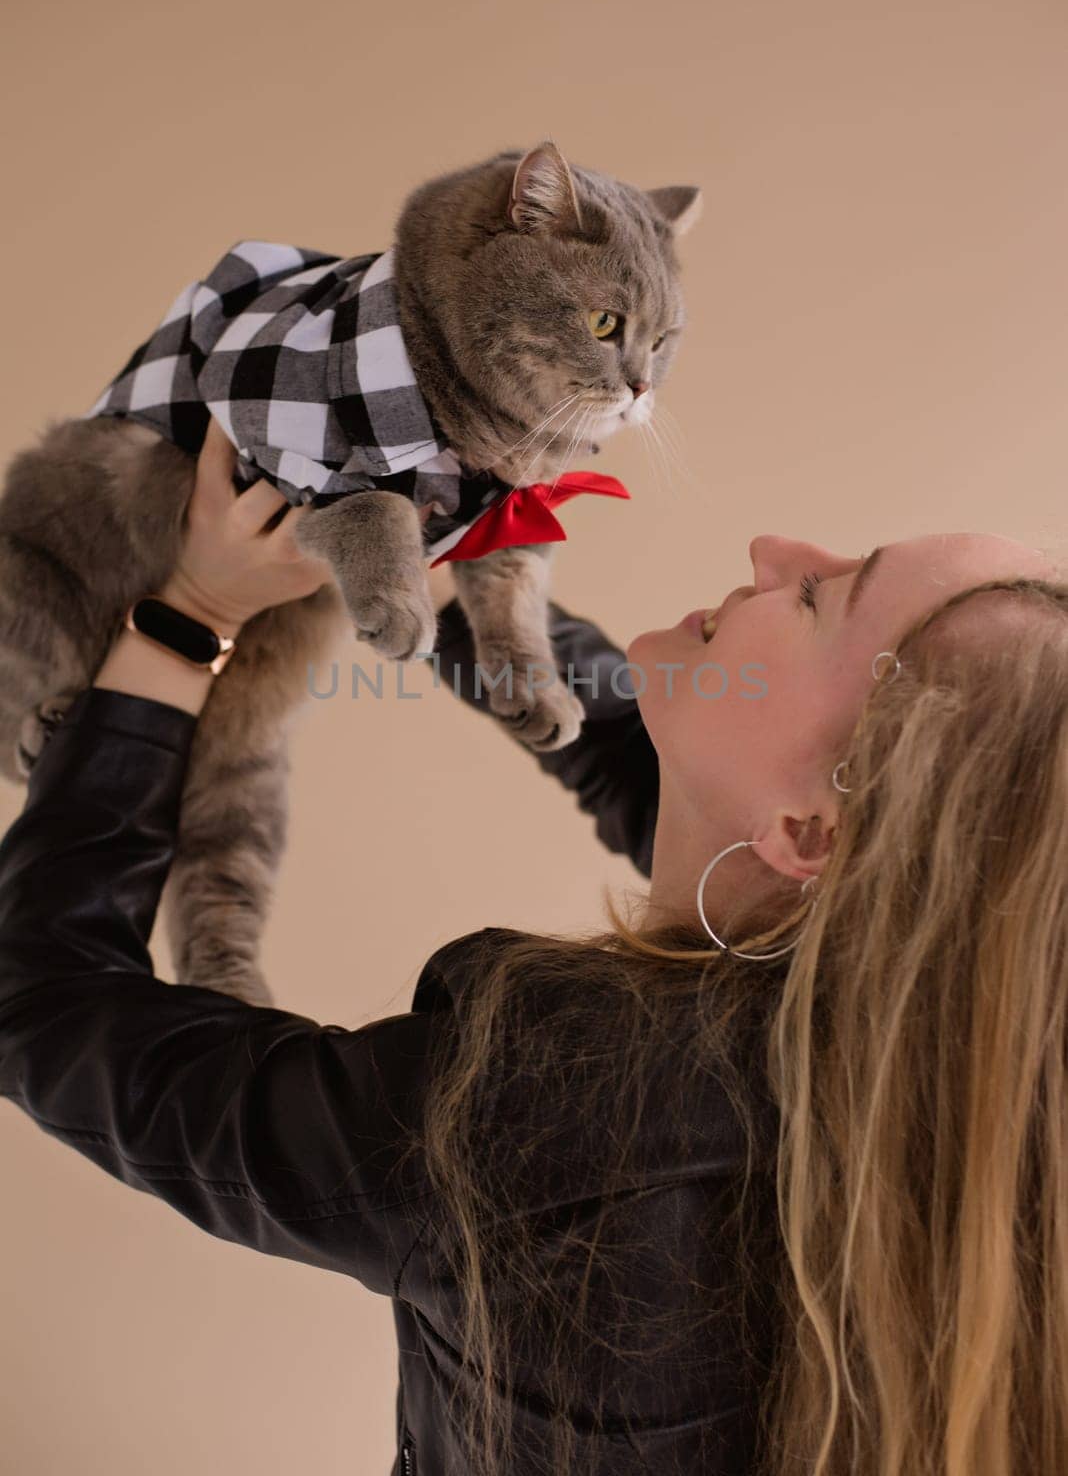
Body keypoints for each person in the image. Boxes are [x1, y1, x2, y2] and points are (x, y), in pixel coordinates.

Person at [0, 418, 1065, 1476]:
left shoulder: (562, 1108)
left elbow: (48, 1004)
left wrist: (193, 613)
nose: (776, 550)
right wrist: (438, 552)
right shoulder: (928, 1029)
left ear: (812, 832)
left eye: (820, 595)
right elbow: (622, 745)